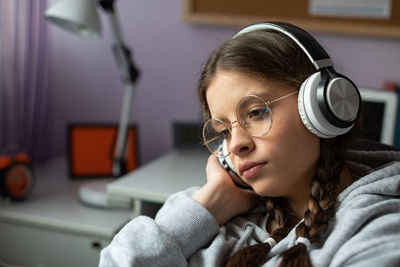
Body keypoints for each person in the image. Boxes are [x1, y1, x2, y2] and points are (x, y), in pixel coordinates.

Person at [99, 22, 400, 267]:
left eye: (256, 113)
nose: (236, 145)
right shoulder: (210, 212)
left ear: (322, 106)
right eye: (223, 131)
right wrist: (210, 206)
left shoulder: (378, 230)